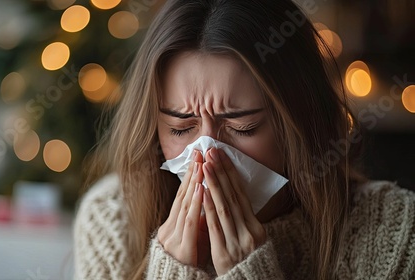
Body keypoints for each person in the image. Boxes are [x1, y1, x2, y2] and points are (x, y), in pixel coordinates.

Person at [73, 0, 415, 279]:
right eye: (180, 129)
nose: (206, 155)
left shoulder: (391, 229)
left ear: (299, 123)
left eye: (244, 127)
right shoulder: (111, 217)